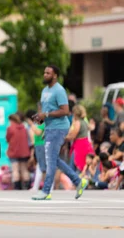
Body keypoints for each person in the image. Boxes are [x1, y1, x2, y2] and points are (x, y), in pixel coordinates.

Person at [32, 65, 88, 200]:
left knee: (50, 160)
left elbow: (65, 110)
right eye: (44, 72)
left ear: (55, 75)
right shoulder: (45, 90)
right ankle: (78, 181)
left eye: (48, 73)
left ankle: (46, 191)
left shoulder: (59, 90)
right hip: (50, 128)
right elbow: (47, 112)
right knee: (54, 159)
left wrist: (46, 114)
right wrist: (41, 119)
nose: (45, 75)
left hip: (59, 128)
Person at [66, 105, 95, 171]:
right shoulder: (84, 122)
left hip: (79, 146)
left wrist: (63, 137)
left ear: (75, 113)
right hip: (85, 145)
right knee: (83, 165)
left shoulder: (77, 122)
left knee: (73, 166)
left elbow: (72, 136)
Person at [7, 113, 31, 190]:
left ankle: (17, 187)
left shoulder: (10, 128)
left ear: (11, 120)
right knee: (24, 169)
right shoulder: (24, 128)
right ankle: (27, 185)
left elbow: (8, 139)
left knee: (15, 169)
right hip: (24, 152)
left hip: (14, 152)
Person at [26, 109, 46, 191]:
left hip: (41, 145)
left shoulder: (42, 124)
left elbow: (38, 133)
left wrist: (31, 124)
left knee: (42, 167)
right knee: (39, 166)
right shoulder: (38, 124)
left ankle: (46, 186)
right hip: (38, 145)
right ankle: (36, 186)